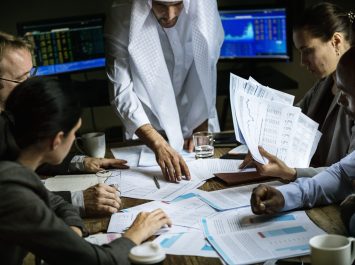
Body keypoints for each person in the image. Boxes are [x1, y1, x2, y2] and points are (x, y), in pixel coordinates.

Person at [0, 77, 171, 265]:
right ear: (57, 140)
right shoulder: (13, 193)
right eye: (75, 132)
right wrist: (136, 233)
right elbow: (99, 261)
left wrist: (71, 231)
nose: (74, 139)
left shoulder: (15, 169)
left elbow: (54, 202)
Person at [0, 30, 126, 216]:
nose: (31, 85)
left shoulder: (11, 111)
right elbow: (8, 199)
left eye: (31, 74)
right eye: (21, 79)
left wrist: (82, 163)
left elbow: (27, 157)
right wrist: (77, 200)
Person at [105, 0, 224, 182]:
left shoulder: (205, 4)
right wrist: (157, 143)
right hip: (147, 125)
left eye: (178, 4)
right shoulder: (121, 13)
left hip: (196, 120)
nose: (170, 14)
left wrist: (200, 126)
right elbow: (121, 89)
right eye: (160, 5)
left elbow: (208, 65)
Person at [239, 2, 355, 182]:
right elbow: (289, 122)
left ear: (336, 42)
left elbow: (348, 174)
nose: (302, 61)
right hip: (309, 190)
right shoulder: (322, 86)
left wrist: (292, 173)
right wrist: (260, 147)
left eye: (307, 51)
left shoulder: (352, 98)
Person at [250, 46, 355, 236]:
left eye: (347, 95)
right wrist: (285, 196)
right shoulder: (321, 87)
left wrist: (350, 212)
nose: (341, 102)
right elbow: (341, 174)